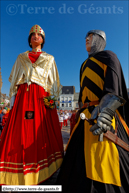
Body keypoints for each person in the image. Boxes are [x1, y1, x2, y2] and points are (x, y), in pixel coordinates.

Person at [56, 30, 129, 193]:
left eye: (91, 36)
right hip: (84, 117)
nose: (86, 39)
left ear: (100, 40)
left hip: (103, 113)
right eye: (86, 37)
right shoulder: (83, 65)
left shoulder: (110, 56)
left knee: (104, 157)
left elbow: (113, 89)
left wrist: (105, 113)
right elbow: (83, 93)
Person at [0, 24, 63, 185]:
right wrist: (13, 98)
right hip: (24, 95)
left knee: (40, 130)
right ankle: (16, 171)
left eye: (39, 35)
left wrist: (53, 100)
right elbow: (14, 79)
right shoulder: (21, 57)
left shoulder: (50, 58)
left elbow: (54, 81)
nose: (36, 36)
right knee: (21, 129)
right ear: (29, 40)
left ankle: (44, 168)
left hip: (42, 97)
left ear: (43, 39)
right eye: (33, 35)